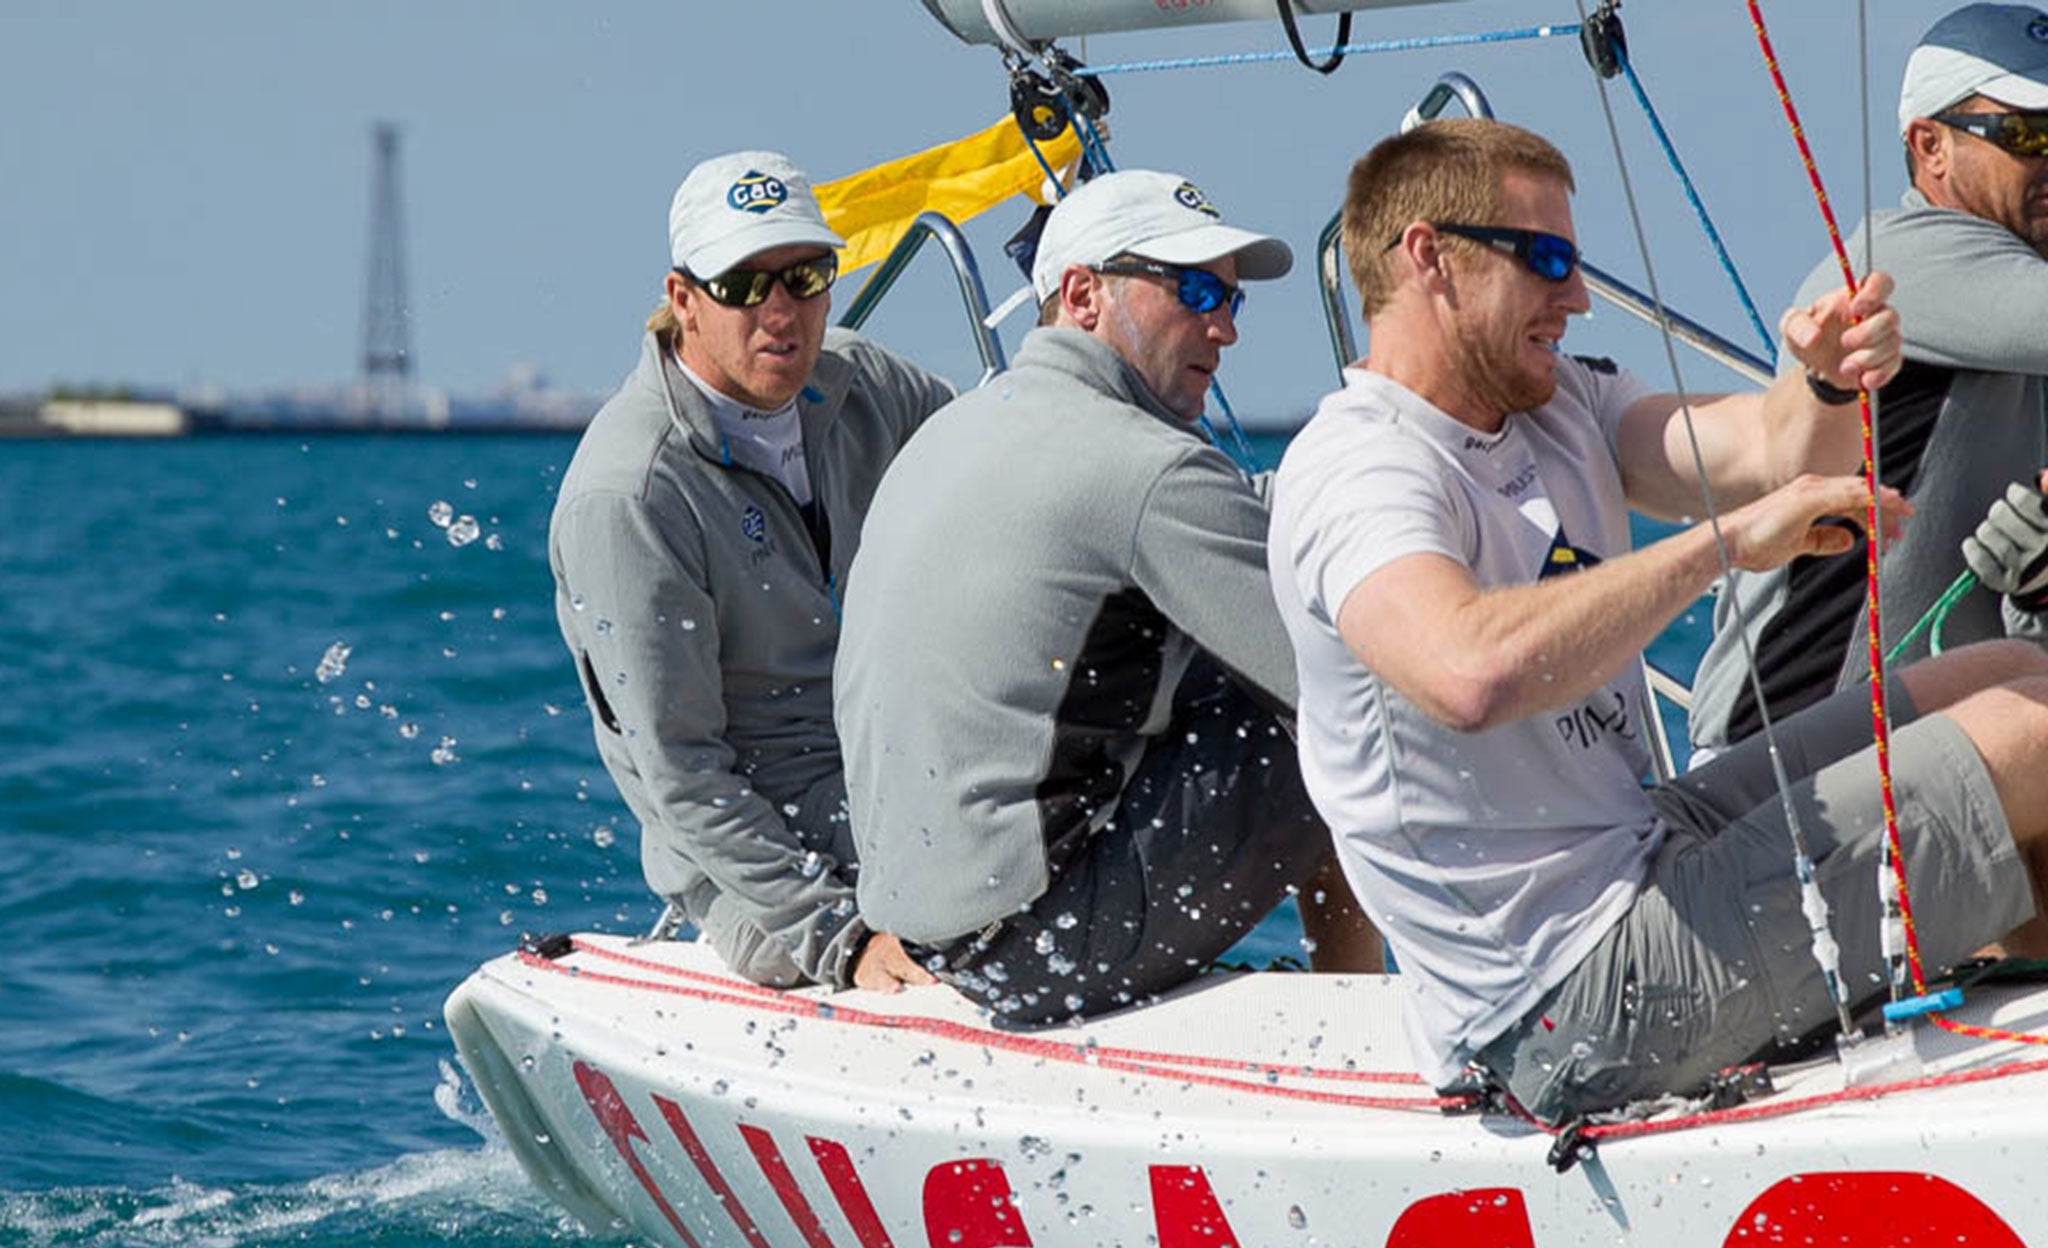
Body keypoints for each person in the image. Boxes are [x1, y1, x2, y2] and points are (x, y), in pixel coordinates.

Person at [1268, 116, 2048, 1124]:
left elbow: (1766, 454)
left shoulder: (1562, 405)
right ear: (1429, 258)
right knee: (2030, 740)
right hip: (1559, 997)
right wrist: (1719, 545)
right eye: (1545, 261)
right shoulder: (1359, 469)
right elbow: (1464, 674)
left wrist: (1818, 381)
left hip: (1638, 855)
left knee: (2000, 674)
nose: (1578, 297)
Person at [836, 168, 1380, 1026]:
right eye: (1195, 290)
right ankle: (1371, 1014)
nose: (1225, 328)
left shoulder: (961, 424)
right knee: (1353, 709)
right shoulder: (1147, 468)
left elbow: (1205, 528)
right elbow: (1354, 696)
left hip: (917, 933)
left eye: (1234, 301)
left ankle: (1355, 989)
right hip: (1032, 954)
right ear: (1083, 294)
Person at [550, 150, 954, 994]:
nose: (780, 311)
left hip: (901, 773)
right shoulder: (629, 495)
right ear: (683, 301)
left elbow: (1011, 477)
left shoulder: (867, 385)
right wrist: (844, 943)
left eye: (804, 276)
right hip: (763, 875)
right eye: (743, 285)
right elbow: (683, 773)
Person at [1690, 2, 2048, 759]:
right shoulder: (1902, 264)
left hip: (1921, 757)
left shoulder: (2018, 321)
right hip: (1786, 774)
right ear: (1931, 146)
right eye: (2028, 134)